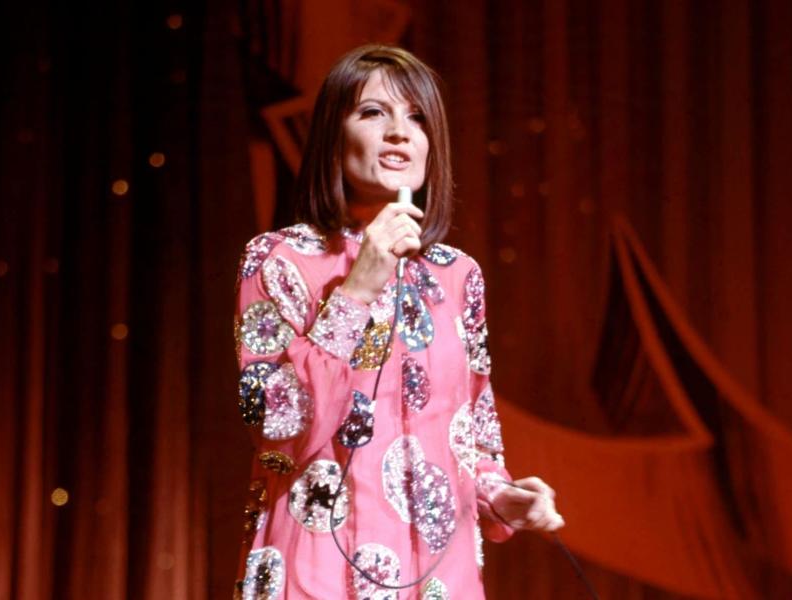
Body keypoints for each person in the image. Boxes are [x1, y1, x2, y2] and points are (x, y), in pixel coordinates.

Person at [233, 44, 564, 599]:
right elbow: (274, 428)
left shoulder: (458, 276)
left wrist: (502, 497)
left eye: (416, 118)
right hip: (316, 570)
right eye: (372, 113)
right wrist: (358, 287)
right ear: (332, 138)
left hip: (437, 577)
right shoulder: (278, 260)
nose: (399, 132)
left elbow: (473, 438)